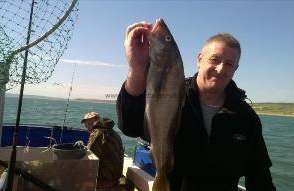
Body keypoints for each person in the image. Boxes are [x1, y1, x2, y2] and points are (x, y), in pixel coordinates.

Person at [116, 21, 276, 190]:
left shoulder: (246, 118)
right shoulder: (174, 95)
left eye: (229, 64)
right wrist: (136, 67)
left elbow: (259, 176)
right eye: (215, 59)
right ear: (200, 59)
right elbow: (130, 126)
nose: (221, 69)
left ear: (235, 69)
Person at [81, 112, 124, 188]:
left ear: (97, 121)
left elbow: (89, 158)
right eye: (86, 125)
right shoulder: (114, 133)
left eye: (90, 123)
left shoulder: (97, 133)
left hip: (105, 179)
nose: (88, 128)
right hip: (115, 176)